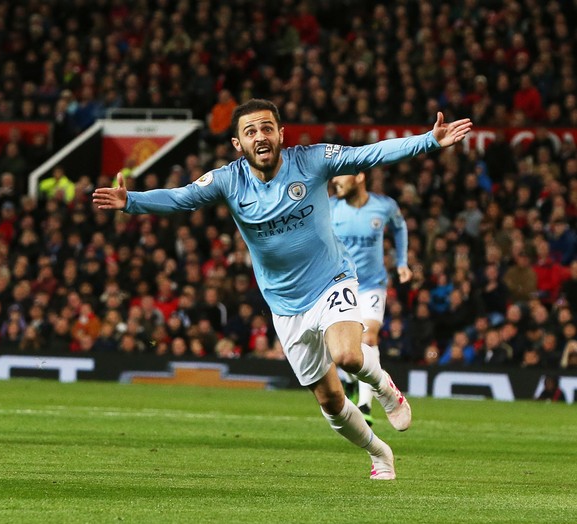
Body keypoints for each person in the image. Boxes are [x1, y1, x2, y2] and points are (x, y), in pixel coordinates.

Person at [93, 98, 472, 479]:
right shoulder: (228, 180)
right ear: (237, 144)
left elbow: (369, 154)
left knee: (348, 356)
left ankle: (386, 389)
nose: (260, 136)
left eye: (267, 128)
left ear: (281, 134)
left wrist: (428, 140)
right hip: (284, 305)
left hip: (331, 281)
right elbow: (181, 198)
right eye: (250, 131)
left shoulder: (311, 160)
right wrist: (132, 202)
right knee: (330, 400)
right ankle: (379, 453)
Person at [330, 170, 412, 425]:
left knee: (370, 336)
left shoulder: (384, 206)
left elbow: (400, 227)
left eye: (340, 176)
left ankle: (365, 403)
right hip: (339, 284)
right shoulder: (329, 208)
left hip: (371, 285)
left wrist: (402, 262)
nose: (335, 181)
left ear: (359, 177)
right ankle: (351, 381)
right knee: (340, 351)